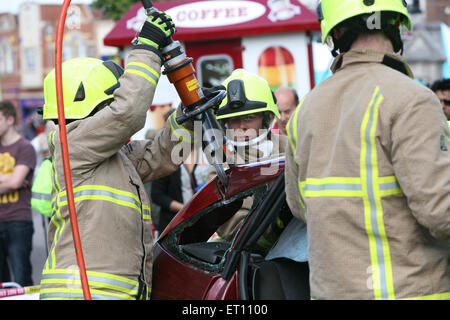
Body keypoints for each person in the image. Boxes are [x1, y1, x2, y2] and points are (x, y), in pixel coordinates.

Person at [285, 0, 450, 300]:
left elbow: (299, 207)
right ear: (398, 25)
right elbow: (442, 213)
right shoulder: (412, 100)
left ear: (335, 34)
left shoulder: (304, 111)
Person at [39, 10, 196, 300]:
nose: (114, 109)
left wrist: (190, 119)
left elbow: (157, 156)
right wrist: (147, 47)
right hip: (81, 293)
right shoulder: (72, 144)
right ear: (88, 105)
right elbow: (128, 113)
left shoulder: (111, 155)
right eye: (110, 102)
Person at [210, 69, 289, 252]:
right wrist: (276, 224)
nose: (242, 126)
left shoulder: (289, 147)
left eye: (249, 117)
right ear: (225, 124)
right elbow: (227, 225)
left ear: (265, 118)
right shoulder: (221, 164)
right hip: (246, 259)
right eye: (234, 120)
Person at [0, 101, 37, 287]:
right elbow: (14, 181)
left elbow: (16, 182)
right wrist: (10, 179)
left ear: (10, 119)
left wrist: (13, 181)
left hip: (18, 222)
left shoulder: (25, 147)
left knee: (21, 279)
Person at [151, 145, 210, 234]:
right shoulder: (167, 160)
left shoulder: (205, 154)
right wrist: (185, 209)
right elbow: (157, 195)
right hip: (174, 225)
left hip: (201, 221)